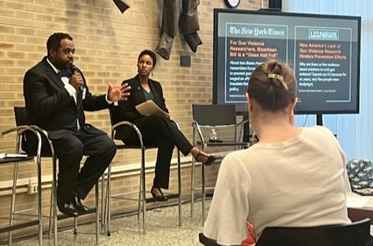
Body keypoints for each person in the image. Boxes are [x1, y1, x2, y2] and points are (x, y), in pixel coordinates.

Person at [203, 60, 351, 245]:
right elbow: (344, 200)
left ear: (249, 103)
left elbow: (224, 240)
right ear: (293, 105)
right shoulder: (327, 139)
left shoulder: (238, 164)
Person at [23, 32, 130, 217]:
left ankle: (74, 193)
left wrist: (107, 99)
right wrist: (69, 88)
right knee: (74, 146)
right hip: (49, 133)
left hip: (77, 131)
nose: (71, 56)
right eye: (66, 51)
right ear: (52, 52)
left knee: (107, 145)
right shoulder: (35, 75)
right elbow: (41, 108)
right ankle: (64, 199)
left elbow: (86, 102)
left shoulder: (75, 72)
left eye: (73, 51)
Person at [115, 50, 217, 201]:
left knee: (167, 138)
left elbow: (164, 110)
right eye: (141, 62)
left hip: (152, 130)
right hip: (133, 131)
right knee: (158, 118)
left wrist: (158, 114)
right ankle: (193, 151)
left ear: (152, 67)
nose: (144, 65)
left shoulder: (156, 86)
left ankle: (157, 186)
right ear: (137, 64)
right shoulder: (129, 84)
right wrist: (143, 113)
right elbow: (122, 113)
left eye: (148, 63)